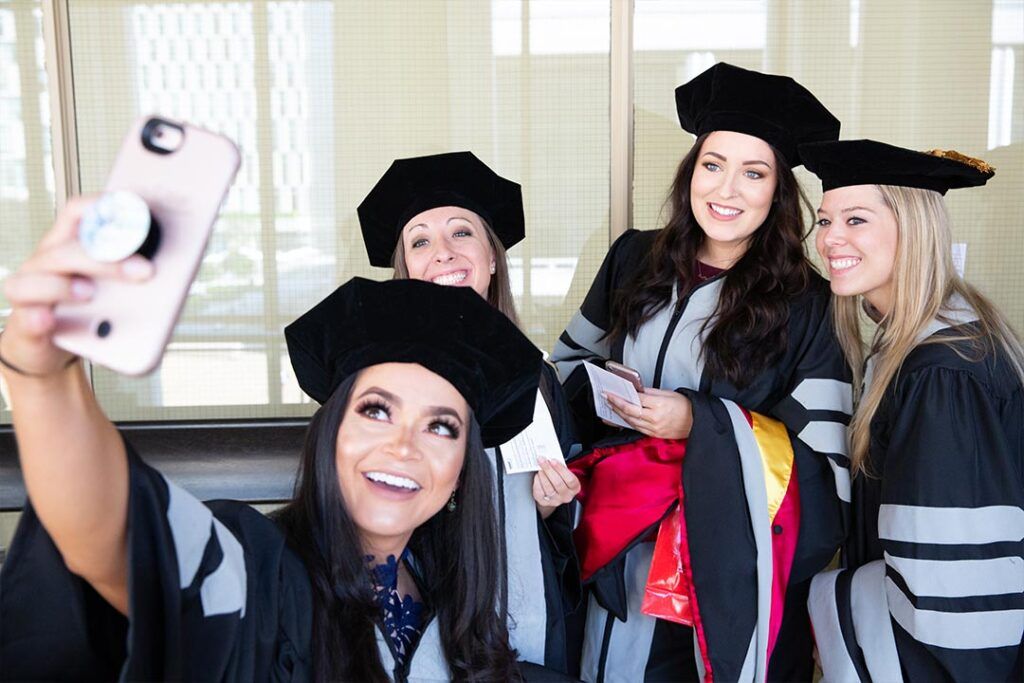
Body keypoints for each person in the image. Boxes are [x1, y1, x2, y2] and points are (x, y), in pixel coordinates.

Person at [0, 197, 573, 681]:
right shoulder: (262, 565)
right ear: (330, 433)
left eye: (441, 426)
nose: (405, 446)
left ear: (462, 468)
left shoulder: (446, 584)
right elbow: (117, 539)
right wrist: (44, 378)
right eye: (376, 411)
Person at [549, 62, 852, 681]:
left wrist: (700, 422)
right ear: (691, 172)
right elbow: (563, 372)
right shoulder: (634, 257)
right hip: (608, 539)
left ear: (778, 191)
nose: (728, 190)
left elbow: (822, 472)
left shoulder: (807, 303)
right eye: (713, 165)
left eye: (754, 172)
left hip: (718, 565)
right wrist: (602, 392)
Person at [801, 139, 1024, 681]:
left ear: (915, 230)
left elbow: (954, 597)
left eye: (856, 220)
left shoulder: (941, 373)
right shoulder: (922, 342)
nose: (831, 240)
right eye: (826, 221)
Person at [358, 150, 581, 673]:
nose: (442, 252)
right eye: (420, 241)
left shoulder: (537, 375)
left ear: (492, 256)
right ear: (406, 268)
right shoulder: (383, 384)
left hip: (531, 609)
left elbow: (562, 515)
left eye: (461, 232)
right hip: (428, 606)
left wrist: (553, 505)